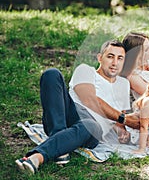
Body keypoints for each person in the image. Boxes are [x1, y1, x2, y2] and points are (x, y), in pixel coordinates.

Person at [15, 40, 141, 174]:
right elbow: (90, 100)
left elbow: (118, 122)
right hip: (71, 113)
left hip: (93, 129)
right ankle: (60, 145)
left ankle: (37, 157)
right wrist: (124, 119)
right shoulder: (85, 70)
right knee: (51, 74)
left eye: (120, 58)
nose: (115, 63)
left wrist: (122, 132)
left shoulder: (123, 84)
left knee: (90, 125)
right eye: (110, 56)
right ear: (100, 58)